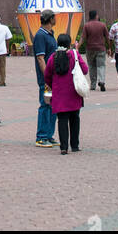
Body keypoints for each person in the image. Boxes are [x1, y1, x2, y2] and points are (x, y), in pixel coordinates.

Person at [44, 34, 88, 153]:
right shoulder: (74, 55)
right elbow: (85, 70)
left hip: (59, 95)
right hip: (74, 93)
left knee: (62, 120)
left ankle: (63, 147)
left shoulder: (53, 57)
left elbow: (47, 75)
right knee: (75, 119)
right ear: (70, 44)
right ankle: (74, 145)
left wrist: (53, 85)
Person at [34, 9, 58, 146]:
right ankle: (41, 136)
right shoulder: (40, 36)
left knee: (53, 105)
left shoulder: (49, 34)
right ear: (50, 19)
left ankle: (49, 135)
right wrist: (47, 76)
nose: (56, 19)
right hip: (46, 79)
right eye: (54, 17)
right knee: (45, 104)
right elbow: (40, 58)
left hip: (53, 78)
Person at [82, 9, 109, 92]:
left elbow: (83, 38)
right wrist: (110, 48)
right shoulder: (102, 25)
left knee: (92, 66)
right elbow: (107, 37)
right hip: (101, 48)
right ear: (96, 16)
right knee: (101, 66)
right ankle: (101, 81)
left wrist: (77, 46)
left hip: (90, 49)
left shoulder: (86, 25)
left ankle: (93, 85)